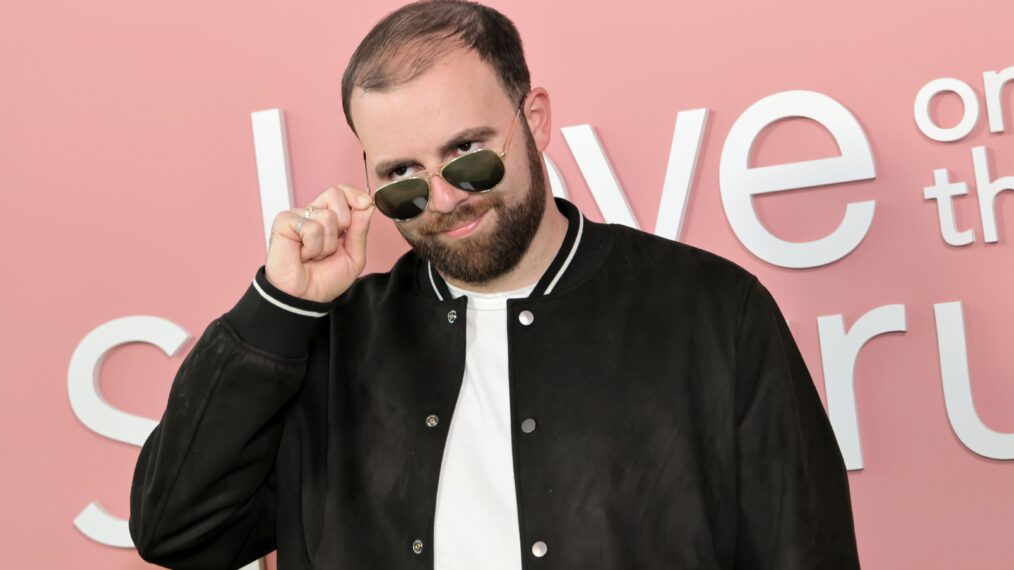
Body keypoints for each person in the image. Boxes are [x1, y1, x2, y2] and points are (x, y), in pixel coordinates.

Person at [129, 1, 861, 568]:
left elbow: (804, 549)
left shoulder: (713, 313)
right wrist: (278, 307)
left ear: (533, 120)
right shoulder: (330, 345)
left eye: (468, 154)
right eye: (401, 179)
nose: (444, 199)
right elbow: (176, 527)